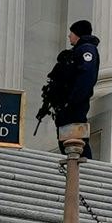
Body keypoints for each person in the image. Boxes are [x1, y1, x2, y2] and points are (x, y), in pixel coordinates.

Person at [40, 20, 100, 160]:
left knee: (77, 140)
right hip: (66, 105)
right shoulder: (75, 51)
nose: (69, 36)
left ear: (77, 33)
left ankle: (83, 173)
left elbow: (86, 78)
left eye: (71, 32)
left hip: (74, 106)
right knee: (66, 140)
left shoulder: (87, 50)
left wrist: (72, 102)